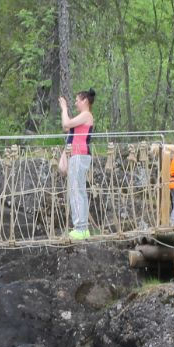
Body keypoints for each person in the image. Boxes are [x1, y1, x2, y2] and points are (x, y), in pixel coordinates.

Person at [59, 88, 95, 240]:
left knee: (77, 190)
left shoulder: (86, 115)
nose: (75, 103)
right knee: (75, 190)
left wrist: (64, 108)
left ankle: (81, 227)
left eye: (77, 100)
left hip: (80, 155)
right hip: (76, 155)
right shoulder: (82, 116)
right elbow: (66, 127)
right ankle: (80, 227)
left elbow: (66, 122)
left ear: (85, 101)